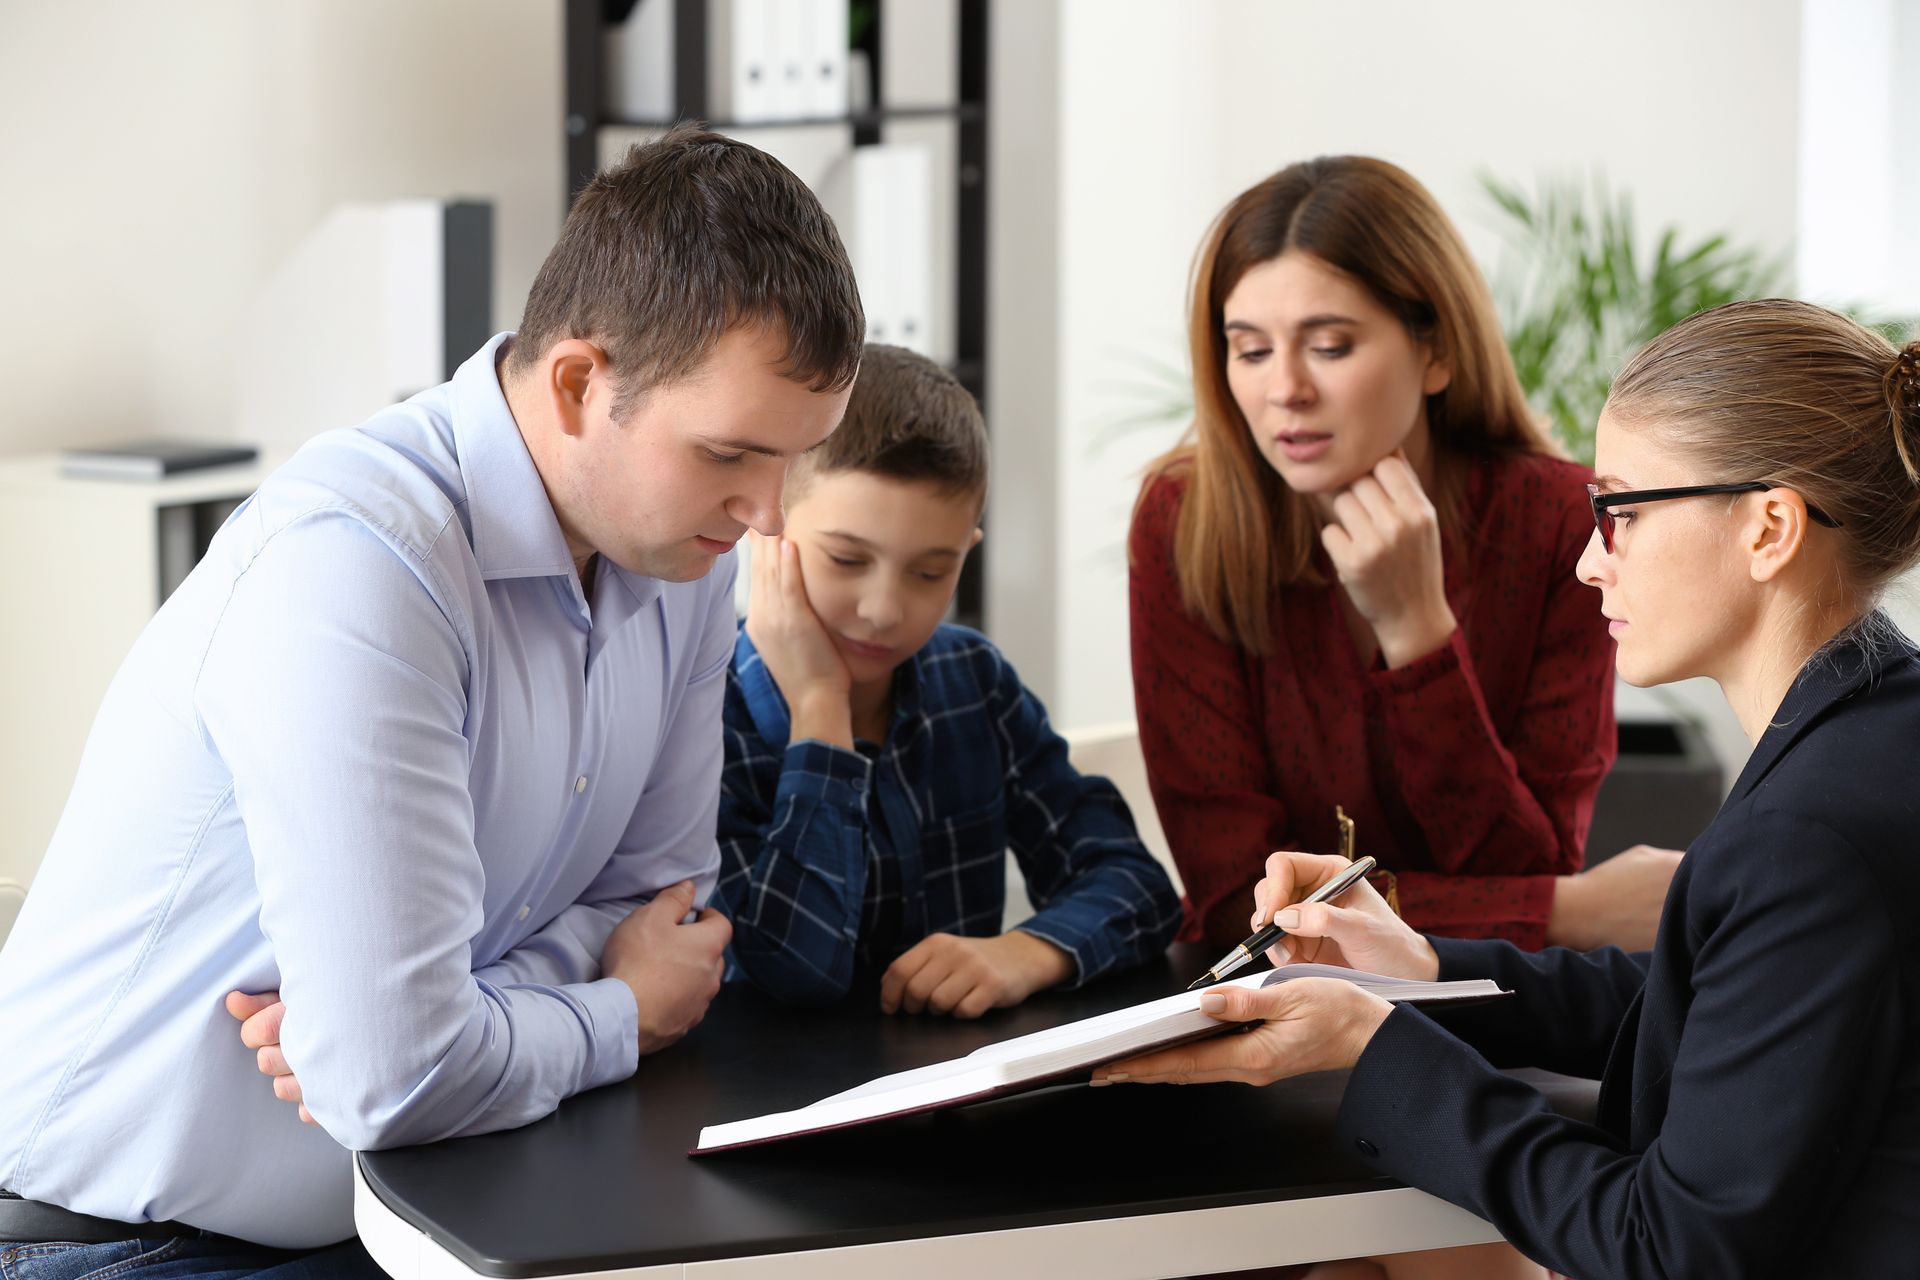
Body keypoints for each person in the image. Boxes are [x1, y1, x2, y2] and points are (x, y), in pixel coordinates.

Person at [0, 125, 863, 1276]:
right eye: (729, 454)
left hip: (437, 1199)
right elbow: (409, 1070)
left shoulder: (681, 558)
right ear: (577, 384)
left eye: (793, 462)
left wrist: (455, 1014)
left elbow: (658, 911)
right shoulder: (358, 565)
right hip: (135, 1248)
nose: (767, 514)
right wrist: (614, 1011)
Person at [1098, 299, 1920, 1279]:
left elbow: (1672, 1247)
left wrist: (1380, 1049)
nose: (1586, 559)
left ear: (1769, 527)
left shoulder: (1807, 834)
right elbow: (1720, 1009)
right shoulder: (1876, 731)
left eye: (1621, 514)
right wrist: (1417, 969)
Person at [1129, 155, 1680, 955]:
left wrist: (1419, 630)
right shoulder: (1182, 522)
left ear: (1436, 352)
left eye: (1329, 345)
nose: (1285, 389)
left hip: (1487, 1012)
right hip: (1274, 1016)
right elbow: (1238, 907)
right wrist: (1569, 913)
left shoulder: (1559, 521)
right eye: (1250, 351)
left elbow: (1526, 865)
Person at [715, 343, 1181, 1016]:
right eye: (847, 559)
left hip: (958, 1099)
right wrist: (821, 710)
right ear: (767, 530)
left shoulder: (972, 680)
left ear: (967, 553)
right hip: (766, 1111)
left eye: (930, 572)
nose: (883, 611)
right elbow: (794, 975)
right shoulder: (701, 712)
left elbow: (1136, 884)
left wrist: (1025, 953)